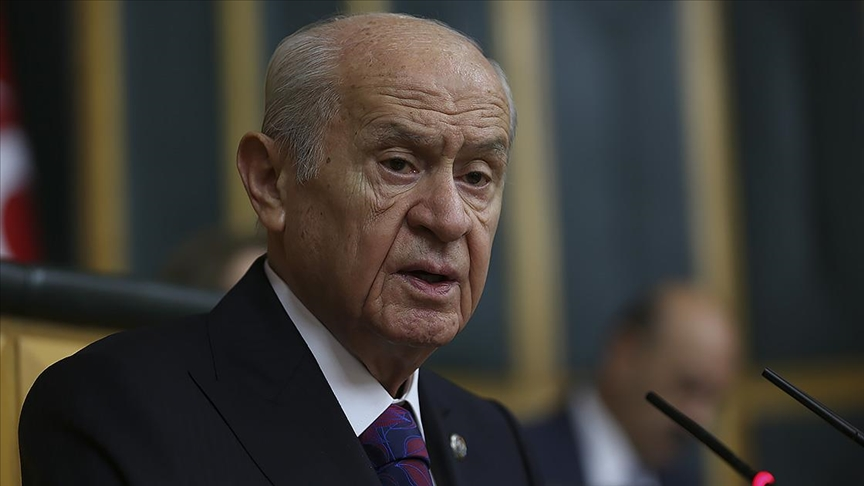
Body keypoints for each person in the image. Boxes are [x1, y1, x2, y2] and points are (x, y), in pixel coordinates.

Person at [19, 13, 540, 486]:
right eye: (399, 164)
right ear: (271, 181)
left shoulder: (496, 441)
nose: (449, 219)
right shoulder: (119, 409)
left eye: (476, 177)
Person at [525, 282, 740, 486]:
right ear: (626, 355)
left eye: (715, 399)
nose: (702, 418)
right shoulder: (521, 461)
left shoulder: (686, 481)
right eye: (688, 387)